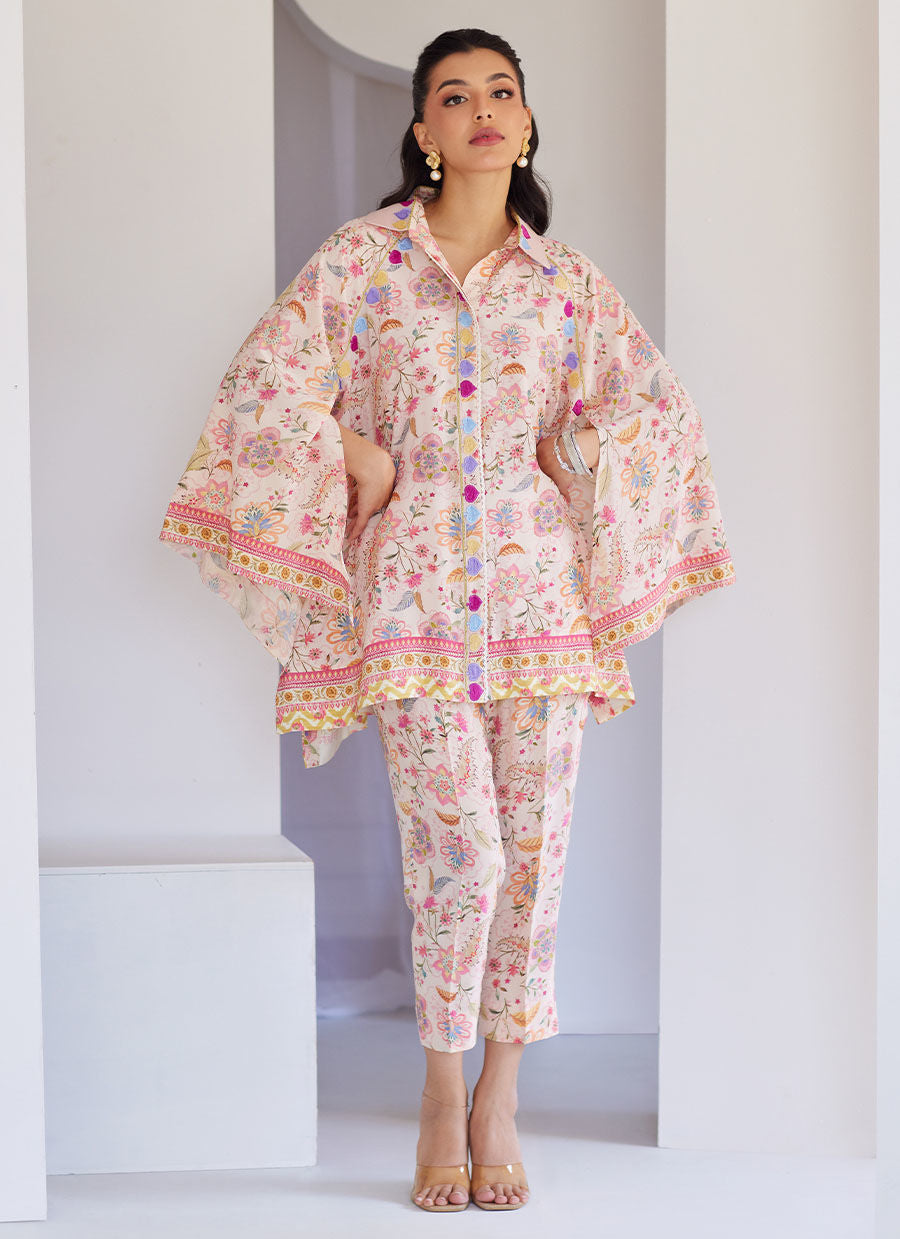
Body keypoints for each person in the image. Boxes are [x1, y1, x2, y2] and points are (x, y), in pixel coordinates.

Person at [159, 26, 735, 1213]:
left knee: (534, 856)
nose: (482, 110)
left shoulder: (569, 285)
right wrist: (352, 446)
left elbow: (660, 412)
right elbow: (263, 389)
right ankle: (437, 1088)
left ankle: (499, 1096)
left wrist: (577, 447)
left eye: (501, 92)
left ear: (525, 123)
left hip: (541, 607)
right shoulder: (361, 262)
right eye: (455, 95)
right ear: (422, 129)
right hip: (414, 601)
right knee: (459, 850)